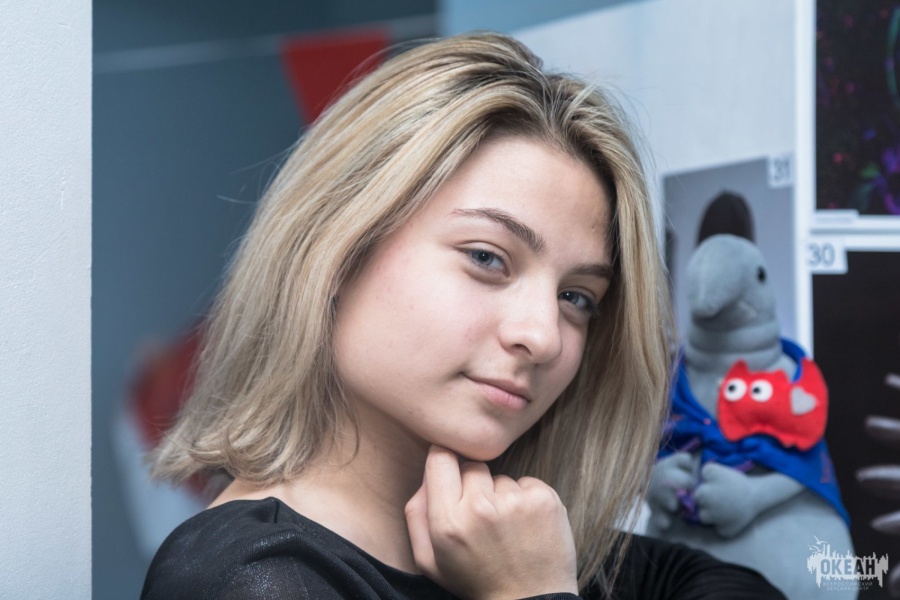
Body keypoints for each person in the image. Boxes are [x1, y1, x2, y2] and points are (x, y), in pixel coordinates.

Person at [141, 32, 785, 599]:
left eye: (576, 297)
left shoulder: (510, 545)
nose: (542, 336)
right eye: (486, 258)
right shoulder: (252, 578)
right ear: (336, 253)